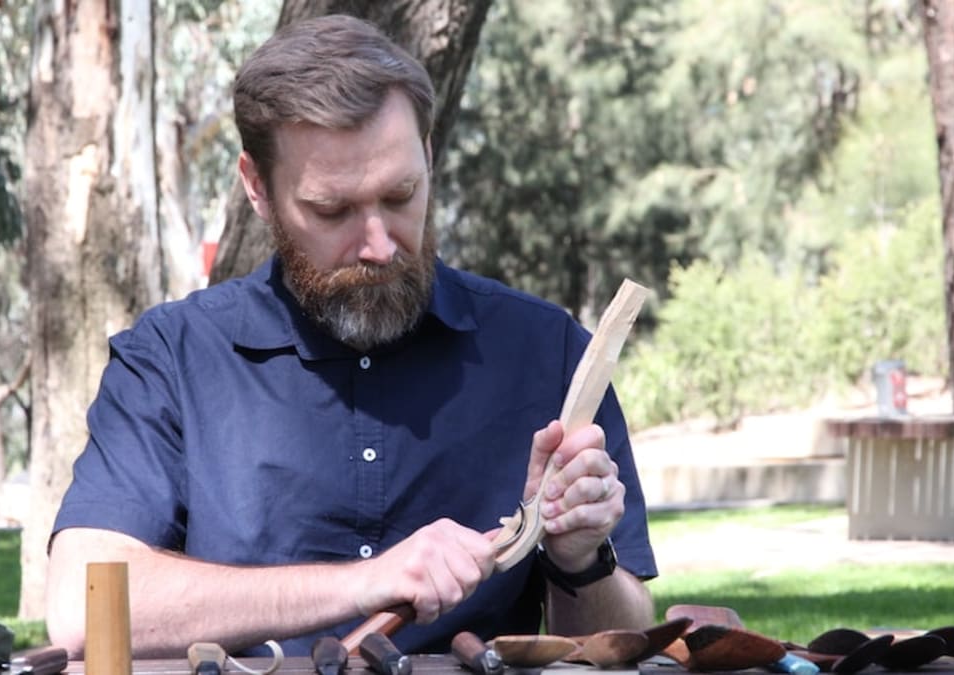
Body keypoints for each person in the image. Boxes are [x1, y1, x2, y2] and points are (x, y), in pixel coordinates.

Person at [46, 13, 658, 660]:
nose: (378, 244)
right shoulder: (171, 359)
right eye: (332, 210)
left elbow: (628, 639)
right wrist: (366, 582)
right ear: (257, 188)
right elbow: (81, 604)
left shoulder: (546, 352)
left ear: (428, 153)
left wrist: (579, 557)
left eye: (400, 195)